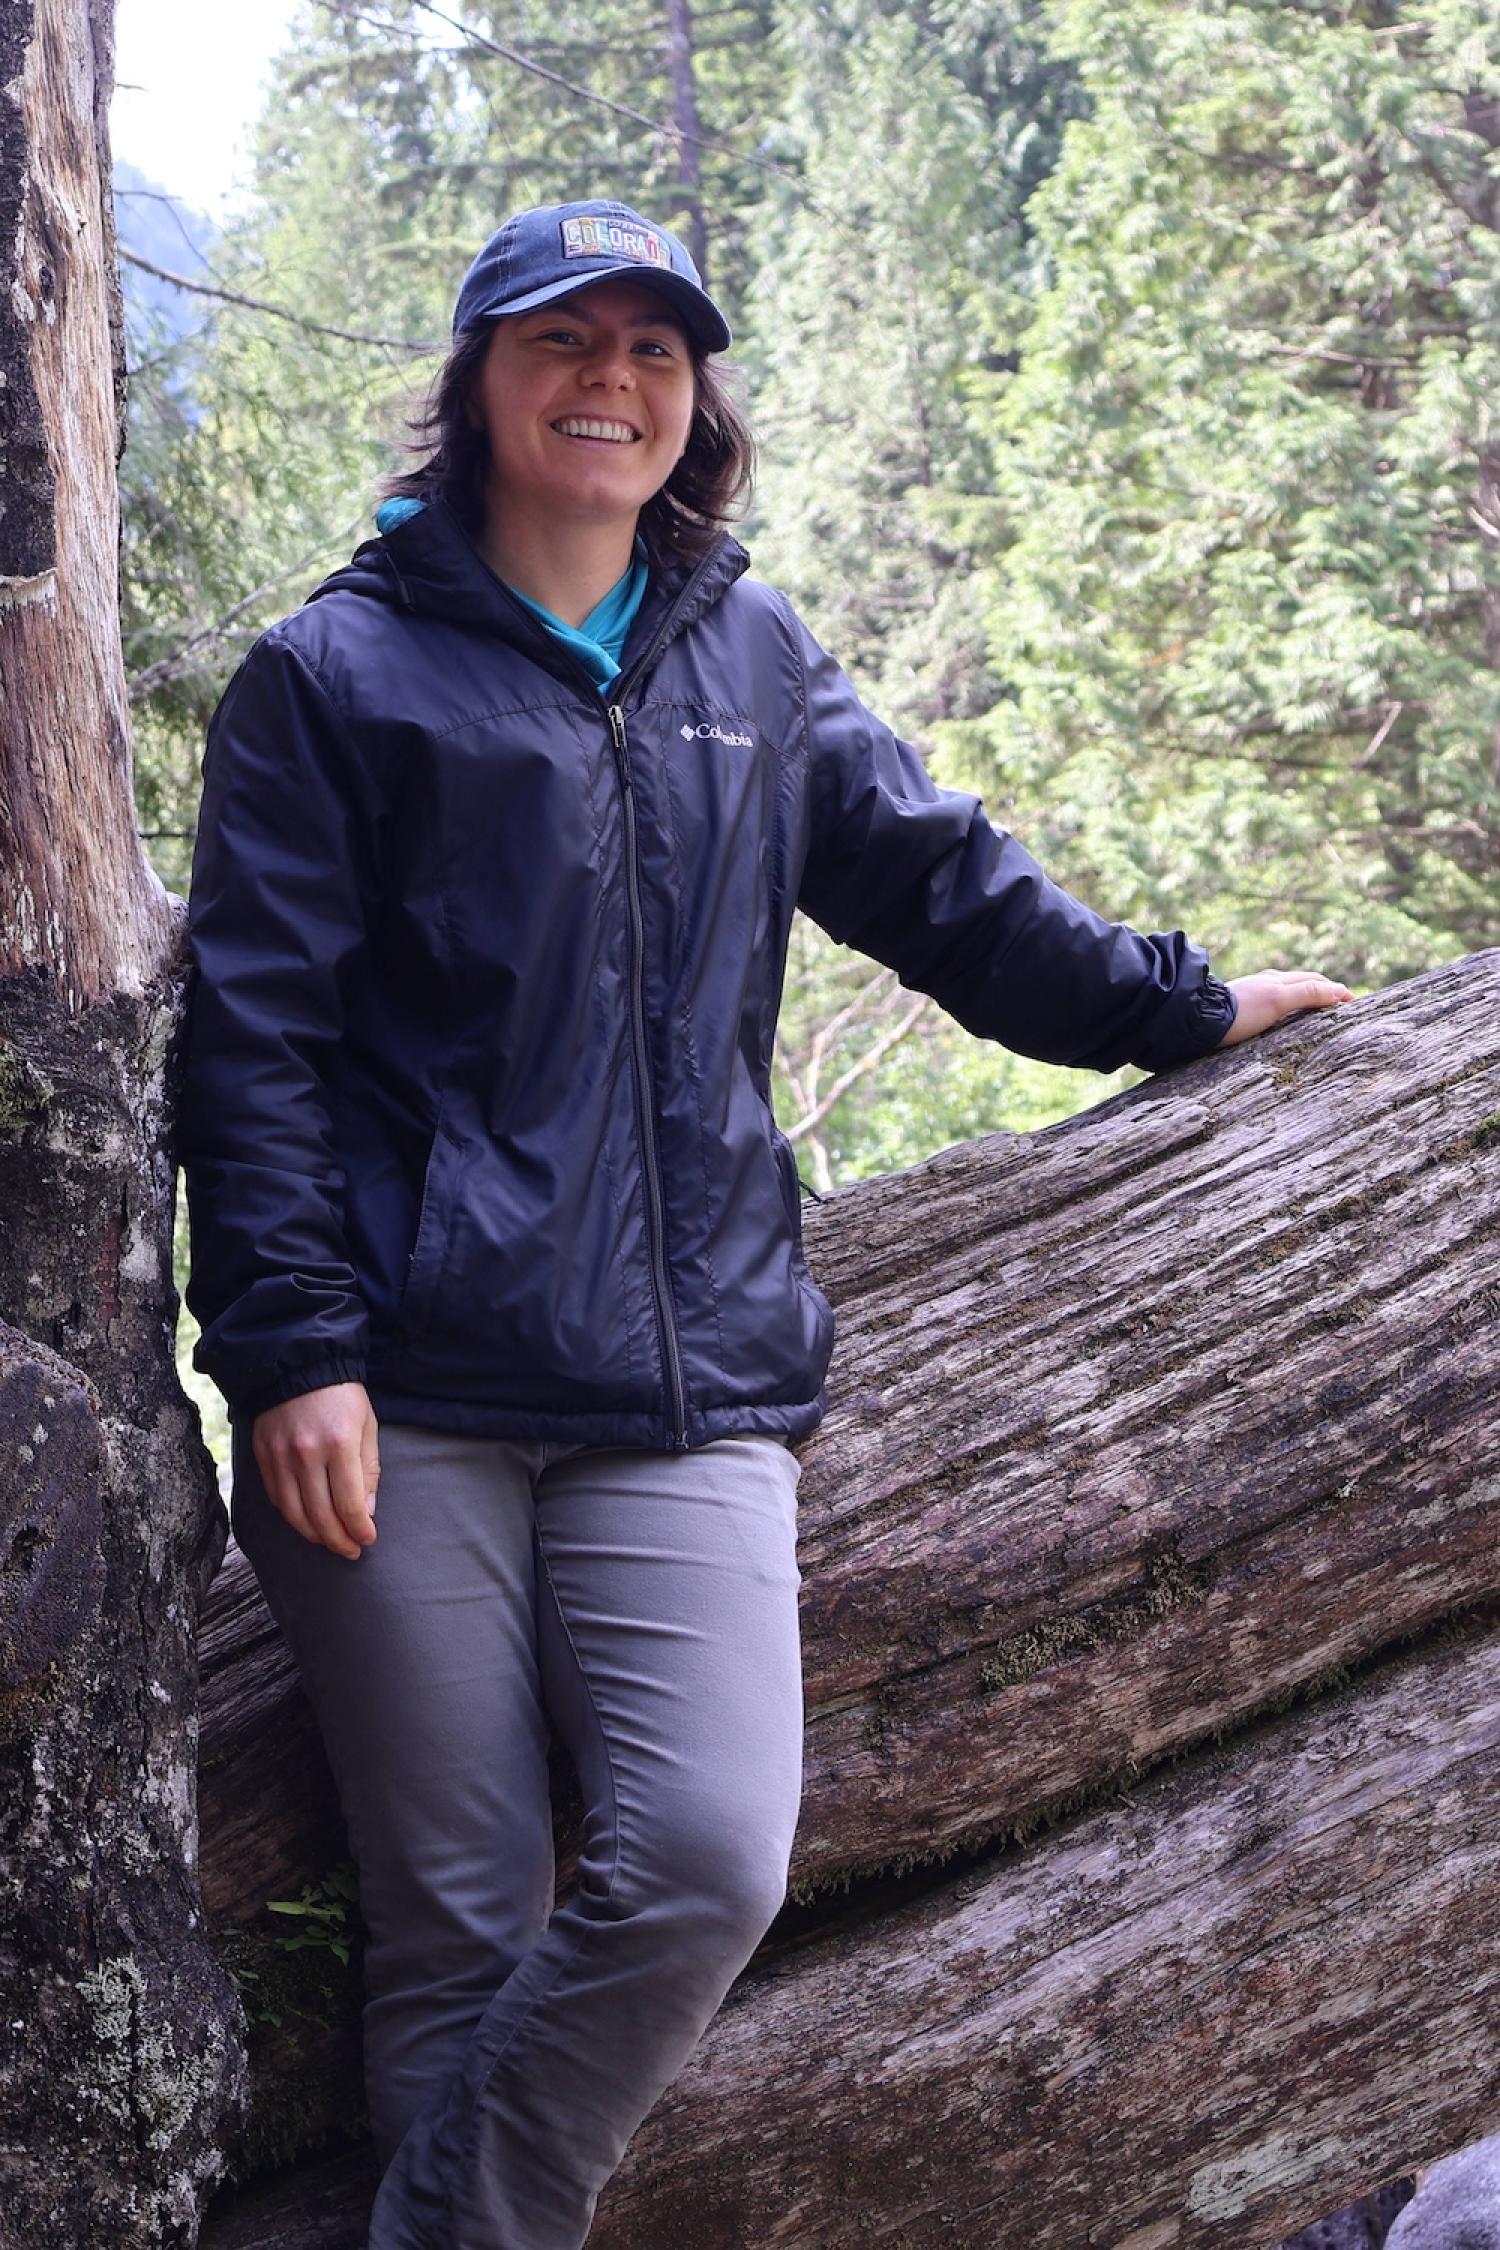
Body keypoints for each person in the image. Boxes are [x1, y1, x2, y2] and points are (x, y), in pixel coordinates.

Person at [177, 199, 1353, 2250]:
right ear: (476, 383)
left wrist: (1174, 1004)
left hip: (689, 1380)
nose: (608, 383)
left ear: (693, 400)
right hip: (404, 1395)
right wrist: (289, 1351)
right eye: (564, 344)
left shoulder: (750, 650)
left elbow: (943, 889)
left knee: (705, 1860)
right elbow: (252, 1040)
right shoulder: (330, 677)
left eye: (653, 350)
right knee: (456, 1920)